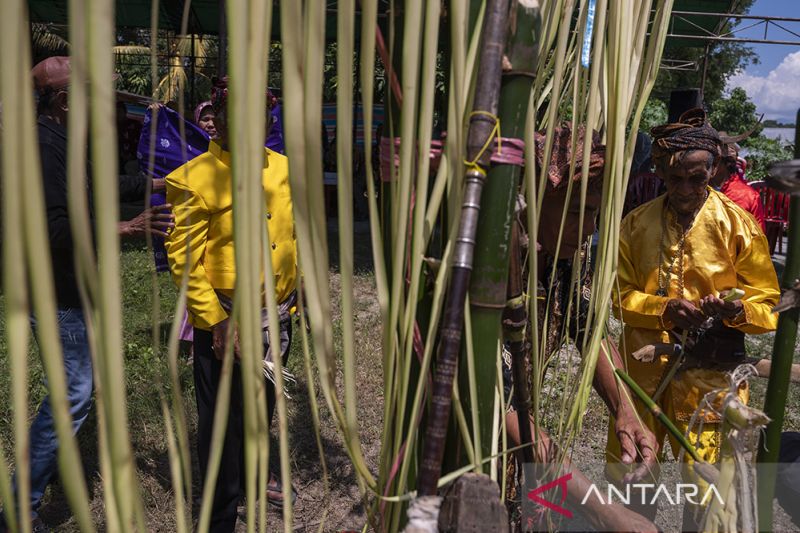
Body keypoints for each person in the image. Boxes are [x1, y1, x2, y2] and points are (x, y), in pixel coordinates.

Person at [0, 56, 174, 533]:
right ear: (63, 100)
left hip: (72, 286)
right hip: (53, 290)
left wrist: (161, 183)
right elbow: (51, 228)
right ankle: (20, 506)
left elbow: (100, 186)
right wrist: (125, 227)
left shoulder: (62, 140)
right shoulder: (40, 146)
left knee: (78, 388)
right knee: (71, 394)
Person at [609, 108, 780, 528]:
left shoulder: (738, 225)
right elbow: (616, 299)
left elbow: (770, 305)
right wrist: (663, 308)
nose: (684, 190)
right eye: (674, 179)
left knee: (709, 486)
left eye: (696, 178)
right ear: (660, 173)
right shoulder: (634, 225)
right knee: (632, 472)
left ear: (716, 170)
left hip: (712, 376)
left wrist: (738, 310)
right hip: (642, 374)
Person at [164, 77, 297, 532]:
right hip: (225, 321)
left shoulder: (280, 167)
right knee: (222, 421)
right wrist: (217, 322)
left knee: (261, 409)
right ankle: (221, 515)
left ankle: (256, 482)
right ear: (218, 120)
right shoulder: (194, 178)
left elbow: (288, 238)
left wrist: (292, 302)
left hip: (276, 317)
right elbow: (183, 261)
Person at [710, 134, 766, 232]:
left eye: (715, 161)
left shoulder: (748, 196)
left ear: (726, 163)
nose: (709, 165)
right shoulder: (698, 189)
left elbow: (758, 236)